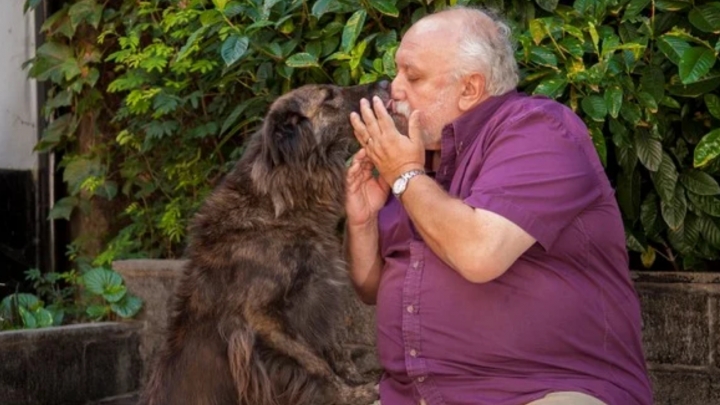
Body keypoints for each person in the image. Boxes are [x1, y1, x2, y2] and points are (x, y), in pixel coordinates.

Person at [344, 6, 653, 405]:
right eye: (397, 73)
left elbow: (479, 254)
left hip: (542, 392)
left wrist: (405, 174)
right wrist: (363, 220)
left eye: (413, 76)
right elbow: (370, 289)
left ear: (470, 88)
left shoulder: (539, 129)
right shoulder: (414, 160)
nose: (394, 89)